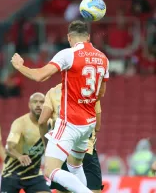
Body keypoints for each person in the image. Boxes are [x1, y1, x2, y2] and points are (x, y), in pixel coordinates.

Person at [11, 20, 109, 193]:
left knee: (50, 170)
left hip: (69, 122)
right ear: (88, 37)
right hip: (88, 123)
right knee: (74, 165)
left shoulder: (68, 54)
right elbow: (101, 93)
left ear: (69, 37)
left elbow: (40, 76)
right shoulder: (103, 58)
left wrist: (20, 66)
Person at [39, 83, 103, 193]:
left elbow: (42, 122)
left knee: (52, 171)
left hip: (62, 150)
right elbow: (97, 126)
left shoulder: (53, 92)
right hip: (86, 150)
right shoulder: (90, 89)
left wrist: (47, 145)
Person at [0, 92, 51, 193]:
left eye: (41, 102)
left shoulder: (50, 124)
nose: (38, 105)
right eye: (35, 102)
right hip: (12, 173)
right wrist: (19, 156)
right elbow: (9, 148)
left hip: (34, 175)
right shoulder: (20, 123)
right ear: (29, 104)